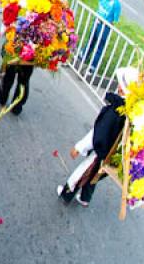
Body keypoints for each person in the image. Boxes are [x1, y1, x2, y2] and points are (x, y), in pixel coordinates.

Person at [57, 67, 137, 207]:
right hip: (112, 157)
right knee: (94, 176)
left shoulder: (115, 112)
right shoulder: (131, 112)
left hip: (101, 152)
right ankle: (85, 198)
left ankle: (66, 193)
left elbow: (97, 133)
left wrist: (79, 147)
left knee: (82, 172)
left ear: (123, 88)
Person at [80, 0, 122, 73]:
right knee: (91, 40)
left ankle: (92, 66)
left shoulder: (116, 4)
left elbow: (115, 20)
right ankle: (83, 56)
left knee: (99, 46)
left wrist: (108, 25)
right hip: (97, 22)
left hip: (105, 27)